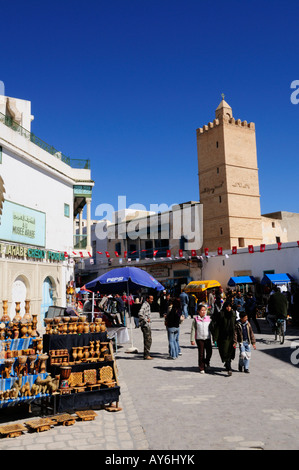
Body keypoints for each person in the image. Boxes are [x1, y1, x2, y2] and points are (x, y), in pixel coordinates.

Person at [212, 301, 237, 376]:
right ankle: (228, 367)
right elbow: (217, 327)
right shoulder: (221, 314)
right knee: (225, 352)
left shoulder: (233, 314)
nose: (229, 308)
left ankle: (228, 365)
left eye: (230, 306)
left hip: (231, 336)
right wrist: (215, 338)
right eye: (227, 306)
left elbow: (235, 325)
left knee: (231, 351)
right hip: (223, 337)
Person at [190, 304, 212, 374]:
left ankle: (206, 362)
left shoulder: (208, 319)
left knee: (209, 352)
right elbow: (193, 329)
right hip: (199, 338)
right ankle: (201, 367)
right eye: (202, 310)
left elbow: (211, 329)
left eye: (204, 310)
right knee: (201, 353)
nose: (203, 312)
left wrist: (214, 338)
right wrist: (192, 339)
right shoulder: (195, 319)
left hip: (207, 337)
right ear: (198, 311)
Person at [138, 294, 154, 359]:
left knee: (149, 340)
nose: (152, 300)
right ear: (147, 299)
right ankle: (146, 355)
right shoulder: (145, 305)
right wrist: (146, 320)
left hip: (147, 325)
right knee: (147, 340)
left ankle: (147, 354)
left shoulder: (147, 305)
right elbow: (140, 313)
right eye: (151, 299)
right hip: (145, 325)